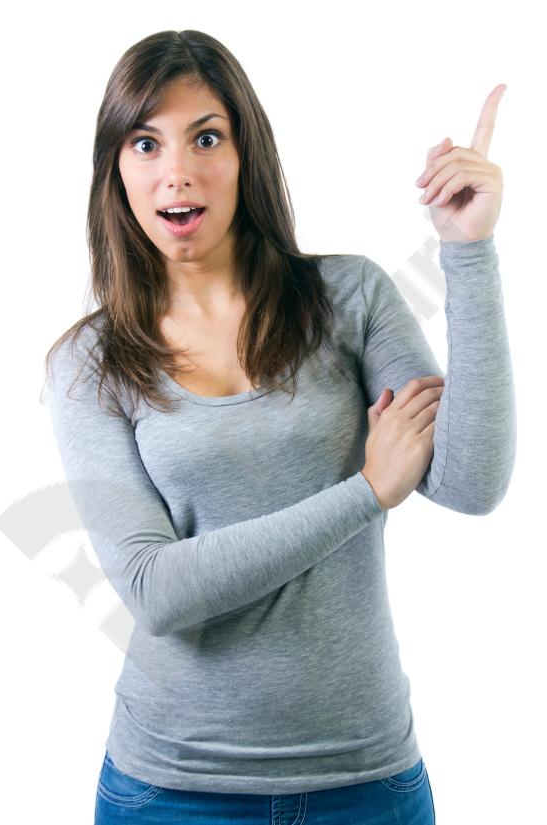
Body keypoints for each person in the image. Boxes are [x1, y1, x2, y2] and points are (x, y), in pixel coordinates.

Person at [42, 29, 516, 825]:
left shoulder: (350, 298)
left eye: (206, 137)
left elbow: (471, 482)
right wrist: (365, 492)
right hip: (173, 790)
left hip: (366, 780)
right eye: (145, 142)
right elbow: (158, 591)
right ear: (115, 169)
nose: (177, 171)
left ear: (245, 153)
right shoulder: (90, 363)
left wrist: (468, 253)